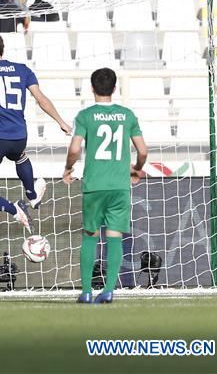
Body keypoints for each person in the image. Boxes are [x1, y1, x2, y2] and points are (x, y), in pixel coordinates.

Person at [0, 32, 71, 231]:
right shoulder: (23, 70)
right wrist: (61, 122)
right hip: (20, 136)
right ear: (2, 50)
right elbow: (41, 99)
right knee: (19, 155)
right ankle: (32, 195)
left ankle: (14, 210)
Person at [63, 68, 147, 304]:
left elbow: (74, 149)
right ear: (114, 88)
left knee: (90, 236)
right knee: (114, 236)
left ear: (92, 88)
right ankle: (109, 290)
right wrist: (136, 169)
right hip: (119, 186)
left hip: (94, 186)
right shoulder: (127, 115)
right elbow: (143, 151)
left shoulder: (85, 115)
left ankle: (87, 291)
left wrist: (68, 168)